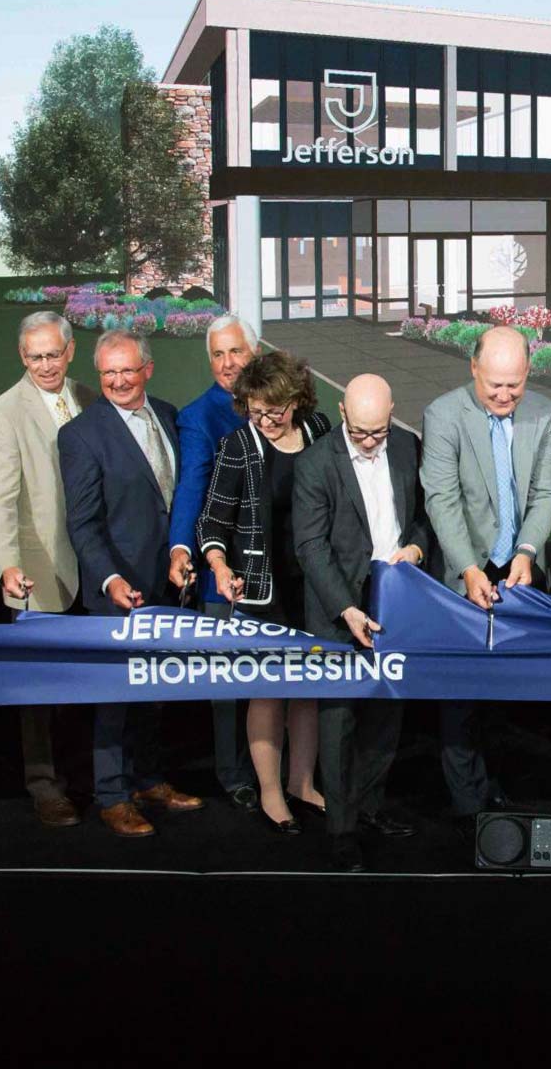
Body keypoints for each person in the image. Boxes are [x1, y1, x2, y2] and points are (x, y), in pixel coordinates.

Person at [58, 329, 203, 837]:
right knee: (115, 700)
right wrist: (111, 578)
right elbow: (83, 523)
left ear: (148, 369)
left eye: (126, 370)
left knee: (154, 693)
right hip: (117, 593)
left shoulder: (168, 414)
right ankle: (112, 795)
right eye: (107, 373)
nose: (117, 381)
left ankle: (148, 781)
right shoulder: (80, 435)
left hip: (169, 585)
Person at [421, 325, 551, 827]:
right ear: (473, 370)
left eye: (515, 384)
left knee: (501, 694)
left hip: (518, 571)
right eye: (494, 385)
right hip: (465, 571)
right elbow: (442, 499)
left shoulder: (544, 414)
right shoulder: (442, 415)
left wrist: (527, 551)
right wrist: (468, 567)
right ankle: (466, 806)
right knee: (460, 696)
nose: (504, 396)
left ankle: (496, 790)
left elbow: (547, 493)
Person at [293, 374, 433, 872]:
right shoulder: (315, 463)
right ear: (342, 412)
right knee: (338, 722)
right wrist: (346, 609)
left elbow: (422, 516)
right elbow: (310, 546)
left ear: (392, 411)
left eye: (379, 430)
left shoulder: (407, 447)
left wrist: (415, 548)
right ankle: (341, 830)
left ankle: (370, 807)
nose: (371, 441)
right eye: (360, 432)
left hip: (395, 603)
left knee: (385, 716)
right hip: (339, 609)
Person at [197, 351, 331, 833]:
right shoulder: (239, 445)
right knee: (268, 694)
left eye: (275, 410)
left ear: (296, 400)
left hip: (313, 587)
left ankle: (302, 784)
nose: (267, 420)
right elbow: (212, 521)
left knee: (309, 692)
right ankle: (272, 795)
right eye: (256, 410)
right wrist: (218, 564)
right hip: (260, 590)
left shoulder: (318, 429)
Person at [0, 311, 98, 827]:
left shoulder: (90, 398)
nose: (44, 365)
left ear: (70, 351)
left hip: (96, 568)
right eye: (33, 357)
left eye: (52, 354)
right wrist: (6, 563)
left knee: (91, 683)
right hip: (37, 571)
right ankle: (46, 786)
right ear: (21, 358)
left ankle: (97, 779)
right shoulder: (4, 412)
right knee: (39, 693)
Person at [169, 314, 260, 814]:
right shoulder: (199, 416)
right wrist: (181, 548)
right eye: (219, 355)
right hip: (220, 567)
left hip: (277, 570)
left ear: (255, 351)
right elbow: (190, 490)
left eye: (236, 352)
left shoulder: (284, 402)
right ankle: (233, 774)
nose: (228, 364)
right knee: (228, 682)